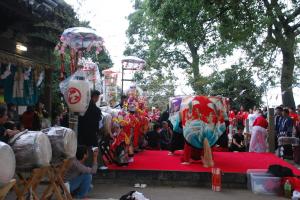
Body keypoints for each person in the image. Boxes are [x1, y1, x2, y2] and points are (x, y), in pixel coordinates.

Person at [78, 90, 106, 169]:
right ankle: (97, 164)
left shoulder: (82, 106)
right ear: (95, 97)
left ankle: (81, 165)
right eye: (97, 97)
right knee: (95, 147)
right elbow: (98, 122)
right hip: (92, 132)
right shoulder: (96, 110)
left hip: (82, 131)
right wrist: (98, 131)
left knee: (83, 148)